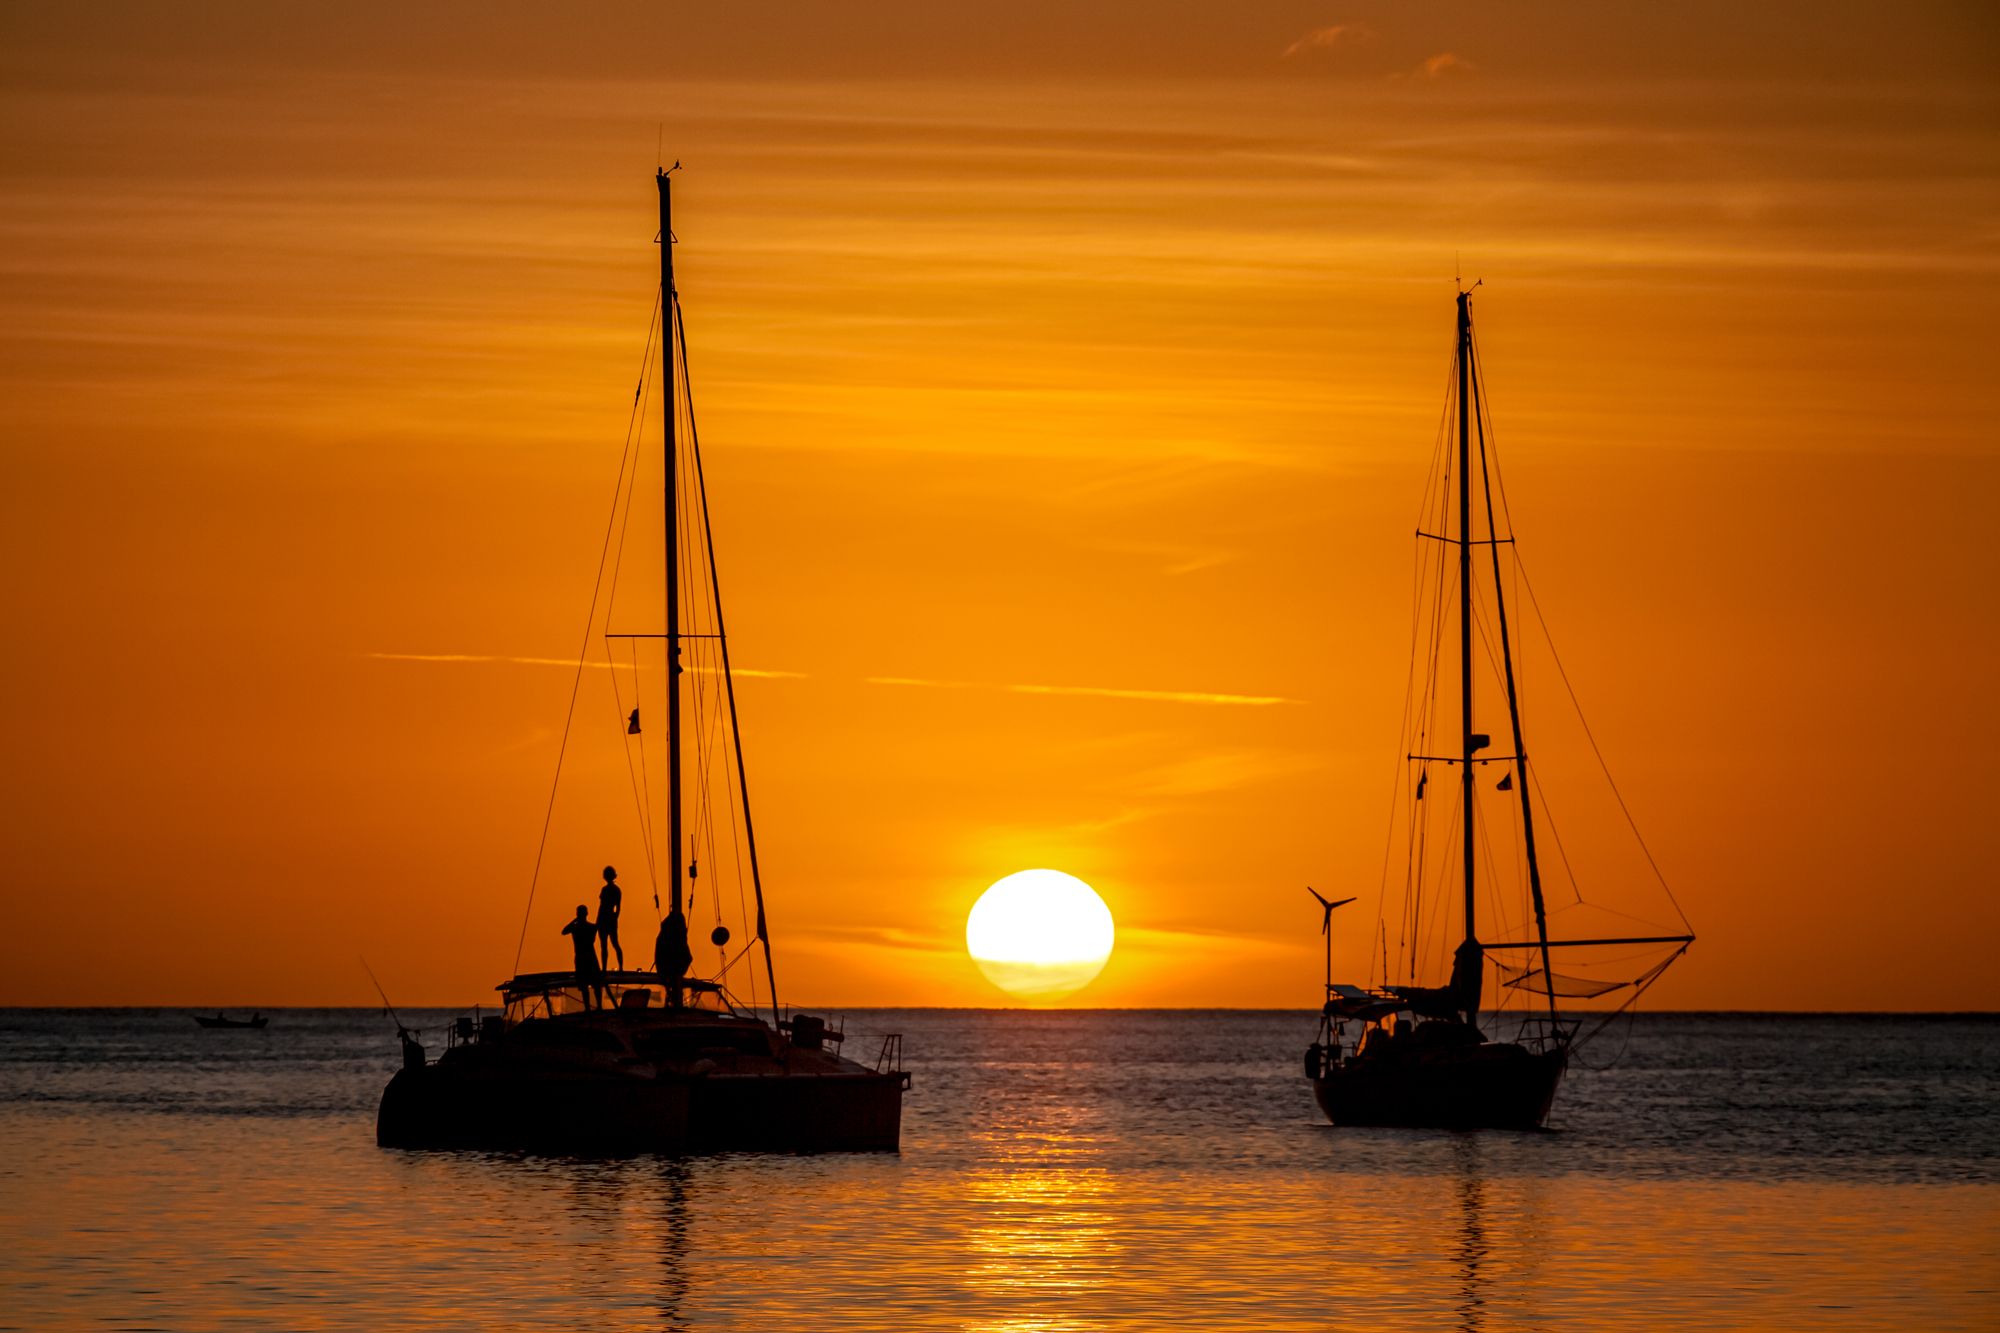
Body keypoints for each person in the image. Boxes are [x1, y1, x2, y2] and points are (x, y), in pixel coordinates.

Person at [561, 904, 603, 1009]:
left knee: (586, 985)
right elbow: (564, 932)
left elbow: (564, 931)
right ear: (587, 914)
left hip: (582, 958)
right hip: (589, 957)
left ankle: (589, 1007)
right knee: (595, 984)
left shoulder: (576, 928)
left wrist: (574, 920)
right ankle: (598, 1006)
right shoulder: (592, 927)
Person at [654, 900, 693, 1007]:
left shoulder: (671, 936)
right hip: (670, 970)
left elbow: (687, 958)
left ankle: (671, 995)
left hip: (672, 970)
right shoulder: (668, 937)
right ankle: (671, 995)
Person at [597, 866, 624, 972]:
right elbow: (617, 908)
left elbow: (606, 906)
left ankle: (614, 967)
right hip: (607, 918)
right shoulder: (615, 890)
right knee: (610, 944)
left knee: (611, 944)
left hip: (606, 918)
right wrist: (615, 917)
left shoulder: (610, 890)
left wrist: (614, 918)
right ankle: (609, 968)